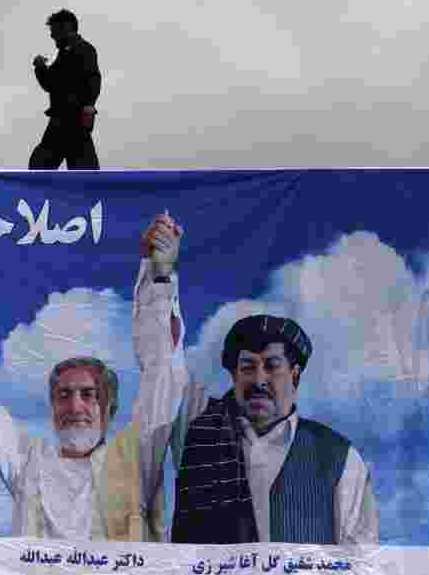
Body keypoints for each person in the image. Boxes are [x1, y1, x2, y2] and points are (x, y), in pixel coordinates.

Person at [133, 213, 379, 546]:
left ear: (295, 373)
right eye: (247, 366)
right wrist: (161, 275)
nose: (259, 378)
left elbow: (362, 558)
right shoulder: (197, 426)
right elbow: (161, 357)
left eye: (272, 365)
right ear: (233, 374)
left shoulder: (336, 457)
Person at [0, 257, 186, 541]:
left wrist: (161, 277)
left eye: (88, 395)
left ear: (110, 406)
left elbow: (163, 379)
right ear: (53, 406)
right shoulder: (29, 462)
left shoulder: (136, 458)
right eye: (63, 395)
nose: (74, 406)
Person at [29, 9, 102, 170]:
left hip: (74, 119)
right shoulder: (64, 54)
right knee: (41, 163)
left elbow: (93, 79)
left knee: (80, 166)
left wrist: (88, 107)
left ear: (65, 28)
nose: (51, 35)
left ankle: (90, 193)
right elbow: (50, 83)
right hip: (61, 119)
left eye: (54, 30)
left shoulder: (83, 49)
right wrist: (40, 68)